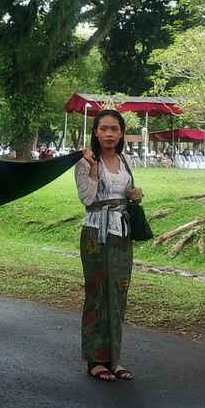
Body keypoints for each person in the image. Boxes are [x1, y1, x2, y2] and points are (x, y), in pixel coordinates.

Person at [76, 109, 143, 382]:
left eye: (114, 129)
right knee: (98, 293)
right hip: (95, 233)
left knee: (119, 293)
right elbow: (87, 198)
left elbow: (127, 193)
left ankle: (113, 358)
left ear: (121, 133)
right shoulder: (86, 162)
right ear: (95, 132)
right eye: (103, 129)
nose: (109, 134)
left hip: (121, 232)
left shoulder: (125, 159)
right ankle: (94, 359)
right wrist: (92, 168)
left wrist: (136, 195)